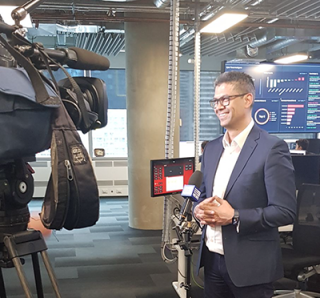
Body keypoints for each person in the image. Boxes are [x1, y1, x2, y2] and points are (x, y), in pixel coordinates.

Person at [193, 71, 297, 298]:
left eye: (225, 100)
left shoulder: (271, 148)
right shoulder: (211, 149)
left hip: (251, 267)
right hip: (212, 260)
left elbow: (285, 211)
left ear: (247, 99)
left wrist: (235, 216)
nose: (218, 106)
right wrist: (198, 209)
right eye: (215, 101)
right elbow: (202, 195)